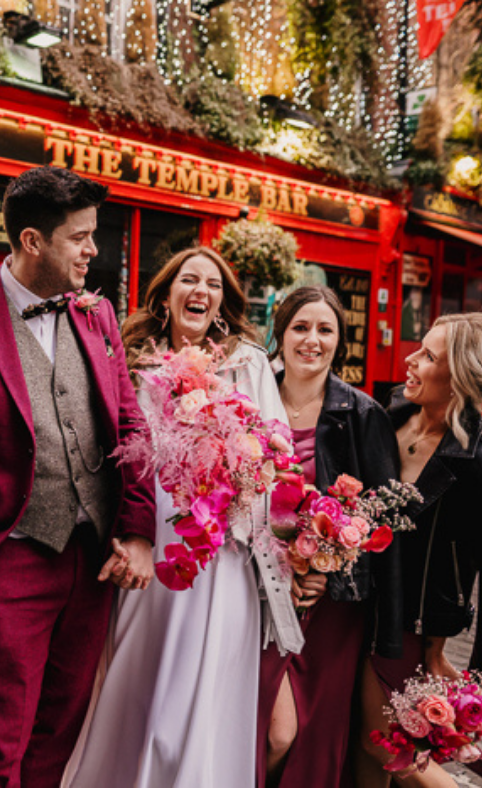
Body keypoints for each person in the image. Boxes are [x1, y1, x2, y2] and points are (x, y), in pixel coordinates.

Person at [0, 165, 156, 787]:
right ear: (32, 241)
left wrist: (137, 531)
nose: (93, 250)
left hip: (91, 560)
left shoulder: (98, 315)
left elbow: (130, 425)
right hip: (9, 554)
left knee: (59, 731)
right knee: (0, 741)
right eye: (79, 237)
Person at [63, 246, 302, 787]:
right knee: (139, 681)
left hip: (223, 553)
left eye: (213, 285)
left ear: (222, 302)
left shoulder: (248, 363)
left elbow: (278, 456)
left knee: (204, 691)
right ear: (165, 297)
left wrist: (244, 475)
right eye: (189, 280)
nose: (202, 291)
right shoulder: (133, 362)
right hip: (149, 544)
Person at [256, 286, 399, 787]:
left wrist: (327, 574)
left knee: (313, 734)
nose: (311, 340)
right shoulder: (251, 399)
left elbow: (379, 524)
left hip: (329, 609)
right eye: (300, 327)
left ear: (340, 341)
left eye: (325, 330)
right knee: (267, 730)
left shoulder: (362, 415)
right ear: (280, 334)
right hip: (255, 599)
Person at [356, 313, 482, 788]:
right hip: (358, 606)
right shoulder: (390, 414)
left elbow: (465, 561)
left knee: (387, 748)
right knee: (365, 748)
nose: (409, 359)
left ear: (460, 377)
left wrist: (441, 651)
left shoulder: (473, 458)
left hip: (409, 625)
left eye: (428, 355)